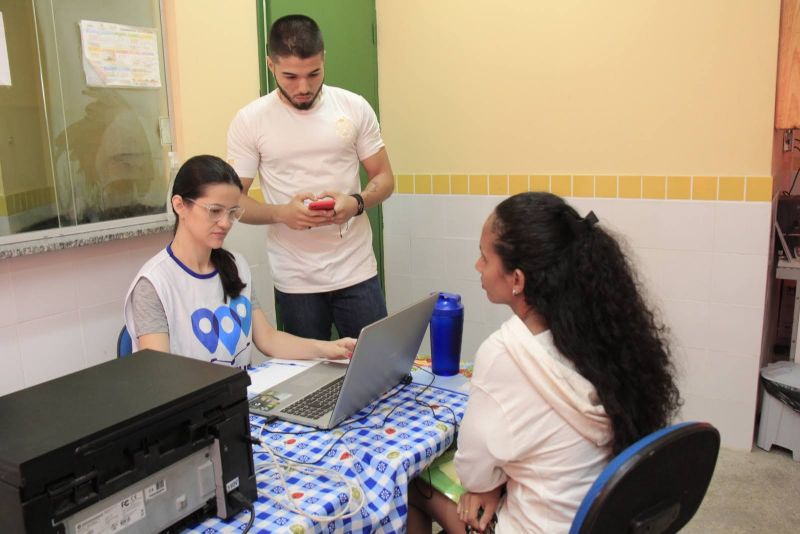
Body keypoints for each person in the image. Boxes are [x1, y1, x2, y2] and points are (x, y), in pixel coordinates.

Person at [408, 192, 681, 533]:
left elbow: (473, 473)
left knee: (414, 485)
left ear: (517, 279)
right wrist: (497, 483)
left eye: (484, 257)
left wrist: (488, 485)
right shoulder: (604, 335)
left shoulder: (505, 353)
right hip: (595, 521)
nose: (478, 266)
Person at [226, 14, 394, 341]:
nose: (303, 87)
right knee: (309, 378)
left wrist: (356, 203)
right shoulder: (250, 120)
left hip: (356, 270)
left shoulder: (354, 107)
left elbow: (385, 177)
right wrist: (280, 213)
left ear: (324, 60)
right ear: (270, 65)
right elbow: (233, 200)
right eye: (290, 76)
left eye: (314, 73)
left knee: (378, 369)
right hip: (295, 279)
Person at [123, 155, 355, 366]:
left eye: (232, 212)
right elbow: (160, 374)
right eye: (214, 211)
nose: (226, 223)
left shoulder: (236, 266)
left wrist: (328, 349)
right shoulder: (154, 284)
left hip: (240, 402)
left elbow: (268, 339)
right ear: (179, 205)